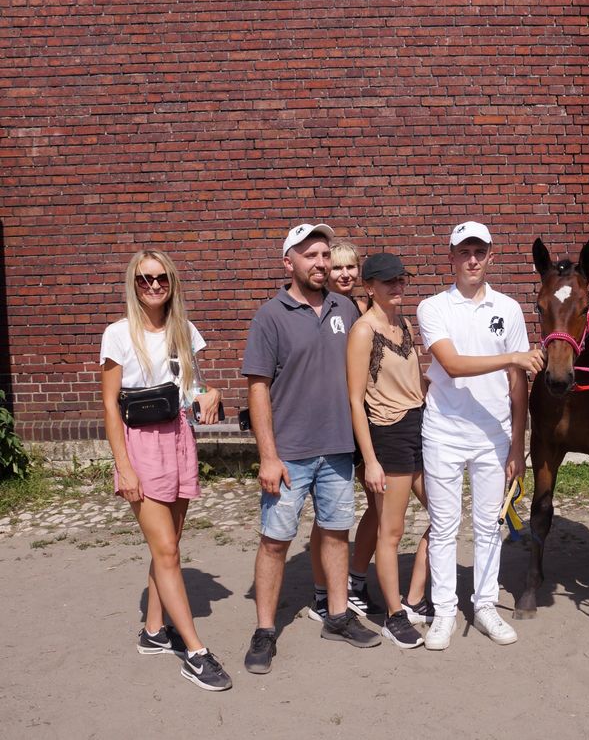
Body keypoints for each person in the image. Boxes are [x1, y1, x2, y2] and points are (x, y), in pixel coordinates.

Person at [241, 222, 381, 675]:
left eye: (324, 254)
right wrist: (267, 455)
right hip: (290, 454)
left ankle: (337, 617)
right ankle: (264, 631)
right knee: (276, 542)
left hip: (338, 448)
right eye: (309, 255)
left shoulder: (345, 306)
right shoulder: (271, 316)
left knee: (337, 533)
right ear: (289, 262)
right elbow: (258, 389)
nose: (320, 263)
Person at [100, 249, 232, 691]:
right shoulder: (118, 335)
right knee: (168, 552)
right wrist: (124, 466)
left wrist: (208, 394)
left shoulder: (184, 331)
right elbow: (109, 406)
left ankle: (155, 631)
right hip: (140, 444)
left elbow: (191, 387)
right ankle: (195, 651)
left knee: (169, 545)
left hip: (177, 437)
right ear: (133, 284)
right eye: (144, 279)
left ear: (171, 282)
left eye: (160, 278)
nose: (153, 286)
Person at [415, 221, 545, 650]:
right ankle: (445, 611)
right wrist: (513, 357)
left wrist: (518, 442)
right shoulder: (433, 307)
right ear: (451, 257)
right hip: (445, 431)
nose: (472, 260)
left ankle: (485, 604)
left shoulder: (507, 308)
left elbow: (518, 382)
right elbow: (451, 364)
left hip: (494, 433)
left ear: (491, 256)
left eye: (480, 252)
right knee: (445, 525)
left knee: (490, 524)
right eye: (464, 252)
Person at [347, 252, 433, 648]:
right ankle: (394, 615)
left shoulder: (404, 323)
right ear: (370, 287)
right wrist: (371, 461)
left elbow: (415, 381)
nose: (398, 286)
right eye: (388, 282)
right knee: (391, 531)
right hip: (388, 433)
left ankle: (414, 598)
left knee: (443, 515)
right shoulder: (364, 331)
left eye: (401, 279)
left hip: (420, 425)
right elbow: (354, 398)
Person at [309, 239, 382, 619]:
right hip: (333, 420)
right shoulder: (321, 309)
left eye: (351, 267)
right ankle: (322, 593)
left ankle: (355, 580)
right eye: (337, 267)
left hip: (368, 419)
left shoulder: (368, 309)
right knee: (328, 514)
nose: (344, 274)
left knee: (377, 504)